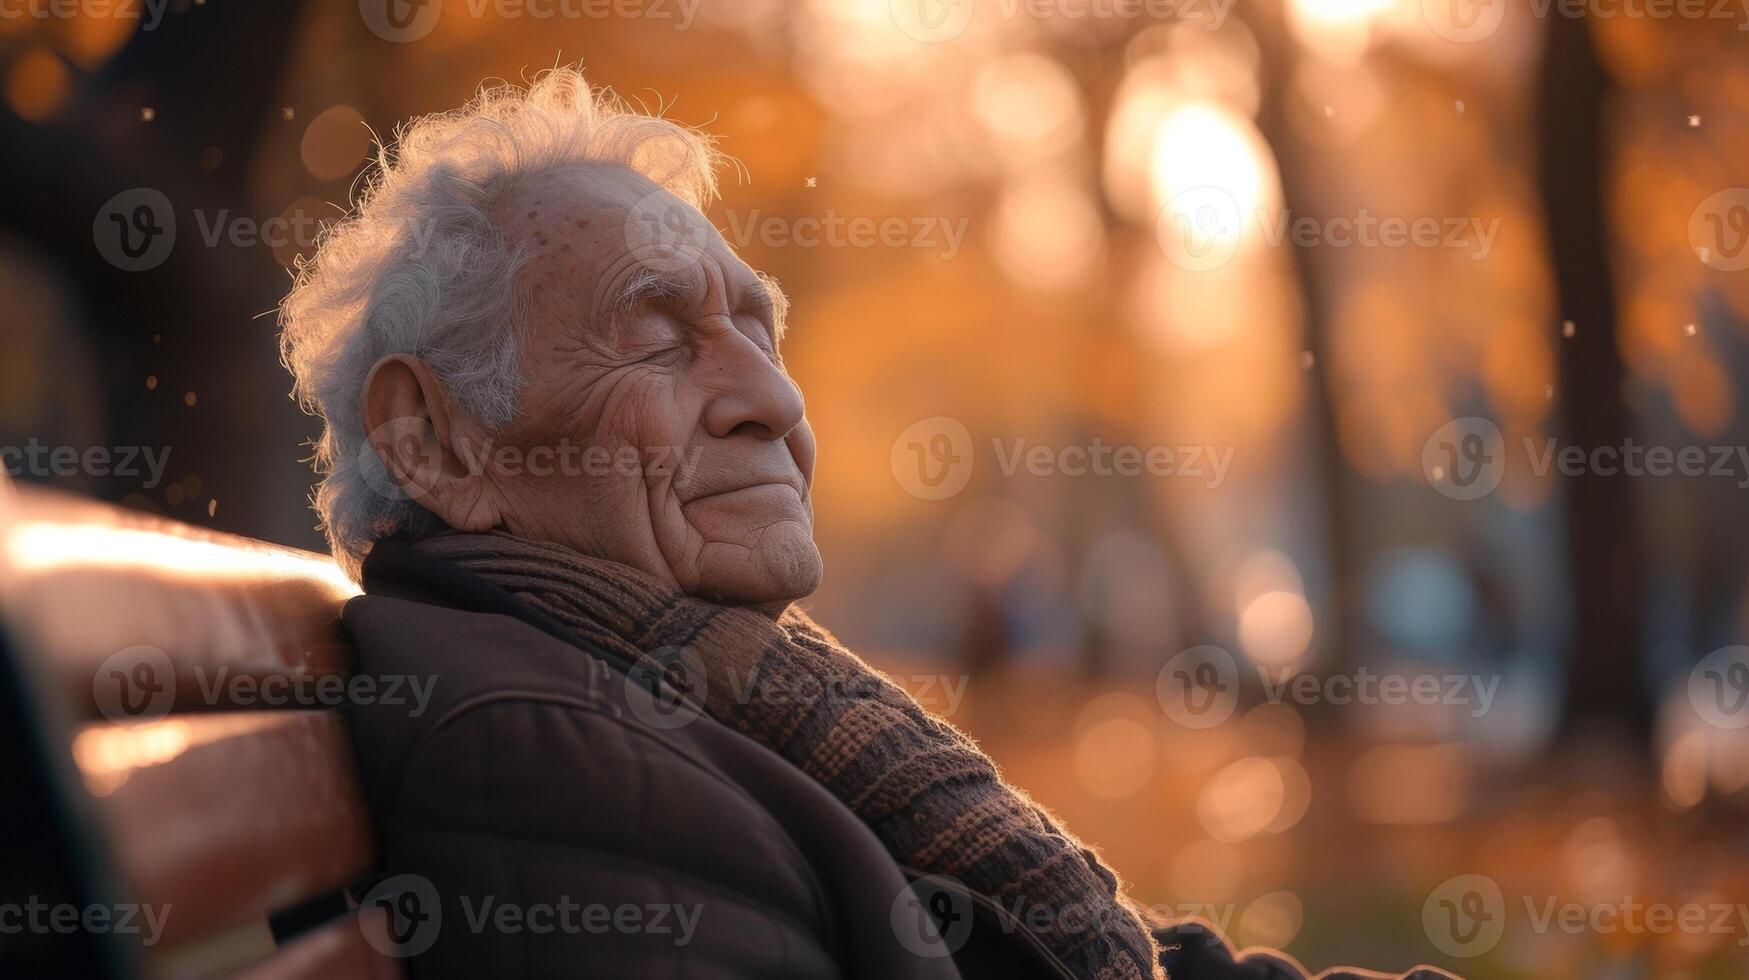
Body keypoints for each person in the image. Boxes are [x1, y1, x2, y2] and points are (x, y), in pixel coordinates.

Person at [279, 67, 1454, 980]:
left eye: (759, 330)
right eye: (654, 329)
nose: (774, 400)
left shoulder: (684, 683)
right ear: (435, 441)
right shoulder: (544, 747)